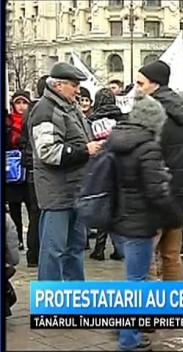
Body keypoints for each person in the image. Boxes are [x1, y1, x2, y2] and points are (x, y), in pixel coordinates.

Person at [107, 93, 179, 351]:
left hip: (121, 218)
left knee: (134, 277)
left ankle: (129, 330)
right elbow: (155, 189)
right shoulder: (147, 146)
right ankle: (129, 339)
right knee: (136, 282)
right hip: (140, 221)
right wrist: (173, 215)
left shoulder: (118, 140)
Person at [29, 62, 103, 281]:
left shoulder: (70, 108)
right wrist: (85, 150)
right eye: (74, 84)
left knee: (75, 249)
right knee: (54, 251)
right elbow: (48, 152)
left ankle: (74, 299)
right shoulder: (46, 110)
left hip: (75, 191)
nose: (78, 90)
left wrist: (94, 147)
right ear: (58, 85)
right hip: (57, 195)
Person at [135, 60, 183, 281]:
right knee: (171, 255)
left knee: (143, 255)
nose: (137, 88)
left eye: (141, 83)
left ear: (155, 84)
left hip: (152, 194)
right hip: (176, 192)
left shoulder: (149, 110)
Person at [87, 88, 127, 261]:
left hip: (99, 166)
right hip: (120, 165)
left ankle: (100, 249)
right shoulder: (122, 119)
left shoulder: (90, 121)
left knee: (104, 207)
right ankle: (119, 248)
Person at [19, 75, 49, 267]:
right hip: (39, 168)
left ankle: (33, 254)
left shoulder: (31, 111)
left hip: (31, 167)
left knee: (34, 213)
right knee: (39, 213)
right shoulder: (42, 111)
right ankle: (36, 253)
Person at [6, 90, 32, 252]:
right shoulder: (7, 122)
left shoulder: (31, 120)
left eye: (24, 103)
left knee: (31, 207)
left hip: (27, 169)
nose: (21, 107)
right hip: (11, 172)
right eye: (18, 103)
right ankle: (18, 241)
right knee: (14, 207)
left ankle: (32, 241)